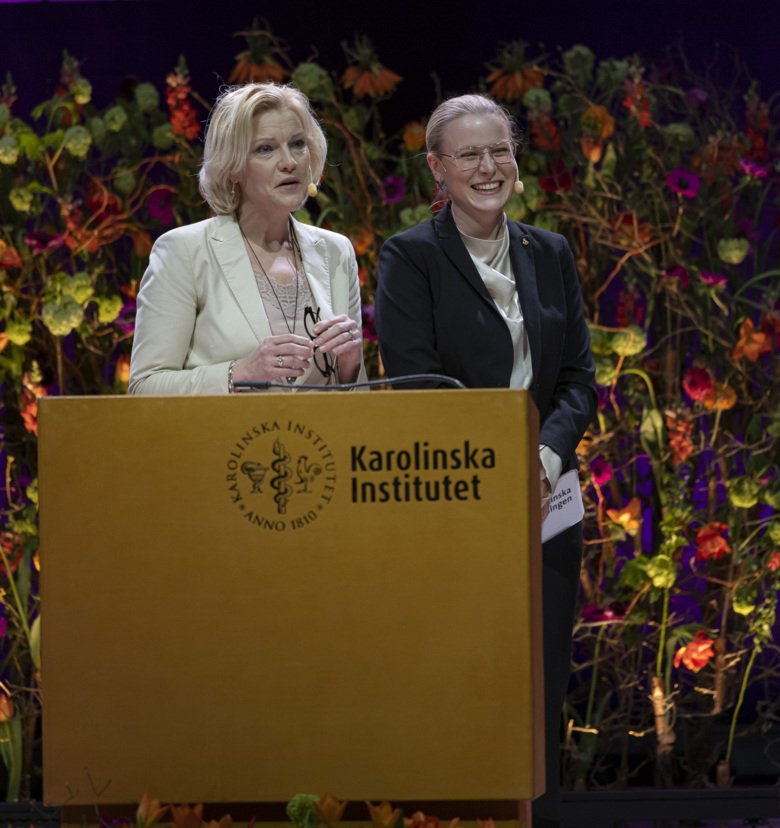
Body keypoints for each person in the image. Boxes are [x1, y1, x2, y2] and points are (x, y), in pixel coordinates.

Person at [375, 94, 596, 828]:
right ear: (437, 168)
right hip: (456, 506)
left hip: (547, 505)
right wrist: (498, 463)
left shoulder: (550, 251)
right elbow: (417, 384)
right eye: (468, 155)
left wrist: (543, 455)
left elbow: (576, 382)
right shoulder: (410, 257)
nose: (488, 167)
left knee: (537, 694)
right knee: (459, 686)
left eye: (499, 151)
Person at [129, 82, 365, 395]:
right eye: (265, 149)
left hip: (319, 443)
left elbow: (359, 403)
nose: (289, 161)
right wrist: (239, 373)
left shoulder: (337, 251)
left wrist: (349, 368)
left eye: (297, 144)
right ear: (233, 168)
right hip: (225, 442)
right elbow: (145, 389)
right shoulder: (184, 251)